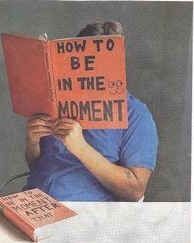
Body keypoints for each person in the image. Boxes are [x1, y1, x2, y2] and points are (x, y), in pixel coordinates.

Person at [23, 21, 159, 201]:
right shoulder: (57, 102)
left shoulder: (136, 114)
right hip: (32, 201)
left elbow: (135, 191)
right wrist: (32, 142)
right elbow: (38, 166)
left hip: (89, 217)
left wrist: (80, 148)